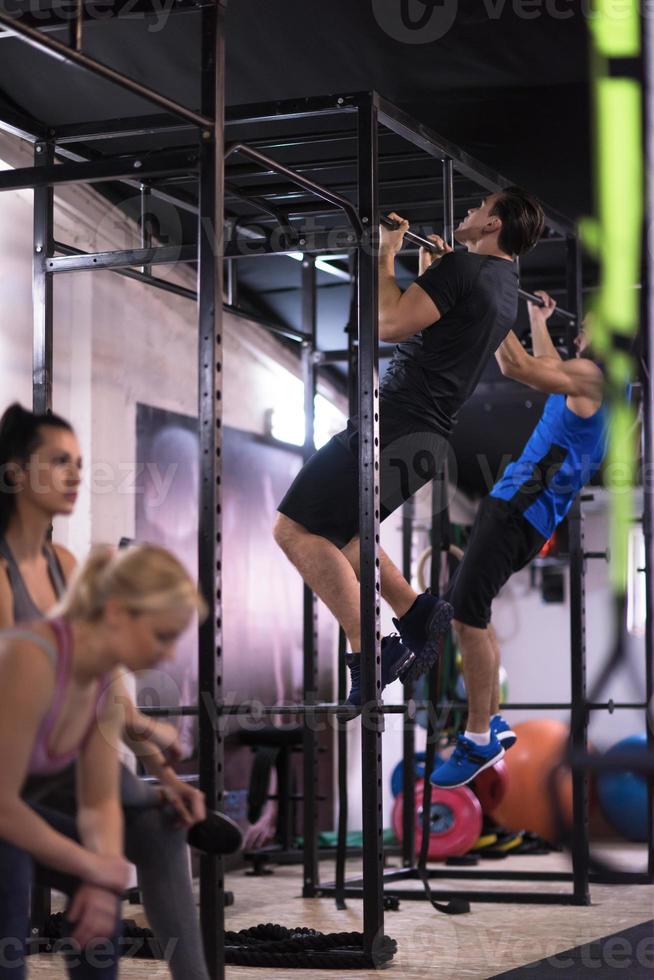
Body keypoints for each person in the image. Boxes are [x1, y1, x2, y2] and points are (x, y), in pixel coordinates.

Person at [274, 188, 545, 706]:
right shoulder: (505, 285)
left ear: (494, 224)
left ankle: (371, 648)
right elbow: (447, 324)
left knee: (292, 530)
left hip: (395, 422)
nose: (468, 210)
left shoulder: (466, 270)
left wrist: (384, 252)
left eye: (477, 206)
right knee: (344, 535)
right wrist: (431, 273)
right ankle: (416, 610)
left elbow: (390, 323)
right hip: (427, 437)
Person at [0, 404, 241, 980]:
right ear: (14, 474)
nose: (77, 474)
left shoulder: (63, 563)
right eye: (59, 461)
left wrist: (161, 766)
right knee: (96, 843)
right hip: (18, 760)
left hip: (63, 754)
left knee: (157, 825)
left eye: (80, 463)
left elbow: (98, 673)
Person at [0, 541, 205, 980]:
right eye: (162, 636)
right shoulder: (30, 658)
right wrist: (94, 866)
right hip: (6, 818)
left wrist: (103, 875)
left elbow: (99, 802)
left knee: (100, 897)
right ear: (116, 612)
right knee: (12, 860)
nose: (169, 654)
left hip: (18, 813)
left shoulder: (99, 679)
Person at [431, 291, 606, 787]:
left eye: (589, 327)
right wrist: (535, 317)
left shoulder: (592, 377)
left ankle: (479, 734)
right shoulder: (593, 381)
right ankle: (493, 722)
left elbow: (517, 367)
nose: (582, 331)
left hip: (518, 509)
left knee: (464, 615)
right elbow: (547, 365)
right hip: (522, 512)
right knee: (469, 611)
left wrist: (493, 307)